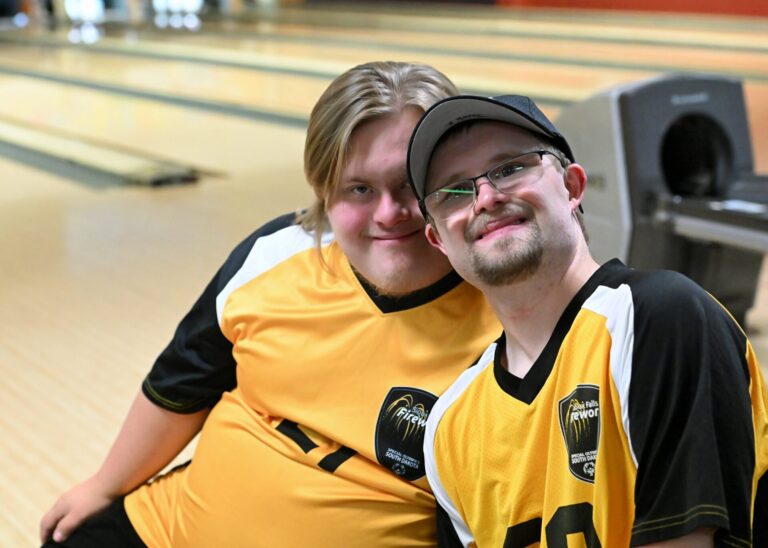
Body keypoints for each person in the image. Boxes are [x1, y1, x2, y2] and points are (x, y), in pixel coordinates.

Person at [40, 62, 501, 547]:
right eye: (359, 189)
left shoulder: (507, 318)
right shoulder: (279, 252)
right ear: (324, 190)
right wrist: (103, 485)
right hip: (165, 529)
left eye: (408, 183)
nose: (389, 214)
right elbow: (180, 385)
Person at [407, 93, 768, 546]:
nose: (484, 197)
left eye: (510, 168)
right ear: (437, 239)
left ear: (573, 187)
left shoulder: (656, 321)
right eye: (454, 190)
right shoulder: (450, 427)